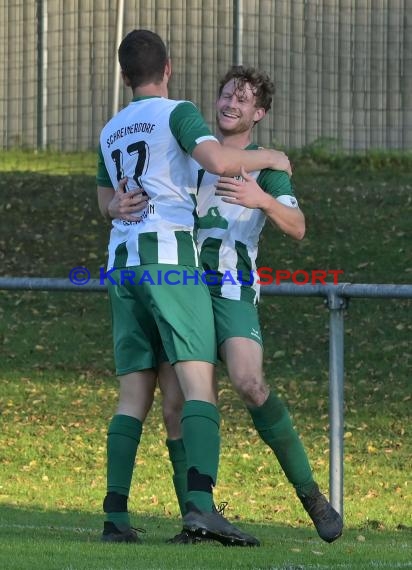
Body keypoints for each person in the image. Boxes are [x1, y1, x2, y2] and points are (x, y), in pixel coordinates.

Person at [96, 30, 291, 546]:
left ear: (124, 75)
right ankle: (202, 508)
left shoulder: (110, 129)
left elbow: (104, 201)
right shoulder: (177, 112)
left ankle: (115, 516)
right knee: (198, 383)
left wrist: (116, 207)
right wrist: (271, 159)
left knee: (134, 392)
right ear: (169, 68)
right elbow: (222, 162)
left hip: (121, 262)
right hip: (168, 260)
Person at [158, 65, 344, 545]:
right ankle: (195, 516)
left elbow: (298, 226)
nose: (229, 104)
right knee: (176, 406)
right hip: (183, 285)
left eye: (242, 100)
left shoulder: (268, 169)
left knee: (250, 383)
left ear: (258, 113)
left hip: (234, 288)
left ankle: (311, 495)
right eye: (225, 95)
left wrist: (262, 198)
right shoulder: (194, 151)